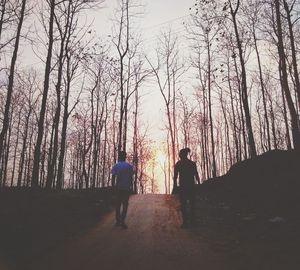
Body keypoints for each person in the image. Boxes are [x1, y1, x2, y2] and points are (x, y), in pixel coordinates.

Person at [173, 148, 200, 228]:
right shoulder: (192, 164)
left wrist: (175, 185)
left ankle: (185, 223)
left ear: (182, 155)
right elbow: (196, 174)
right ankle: (192, 222)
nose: (179, 155)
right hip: (191, 186)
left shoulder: (179, 164)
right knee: (192, 205)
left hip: (183, 187)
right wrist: (198, 184)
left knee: (184, 205)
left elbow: (175, 176)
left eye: (180, 154)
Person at [111, 151, 133, 229]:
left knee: (118, 204)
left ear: (119, 156)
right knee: (125, 204)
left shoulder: (116, 166)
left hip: (118, 187)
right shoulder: (129, 166)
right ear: (125, 157)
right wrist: (131, 186)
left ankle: (117, 221)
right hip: (126, 188)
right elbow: (131, 177)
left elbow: (113, 177)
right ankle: (122, 221)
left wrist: (113, 186)